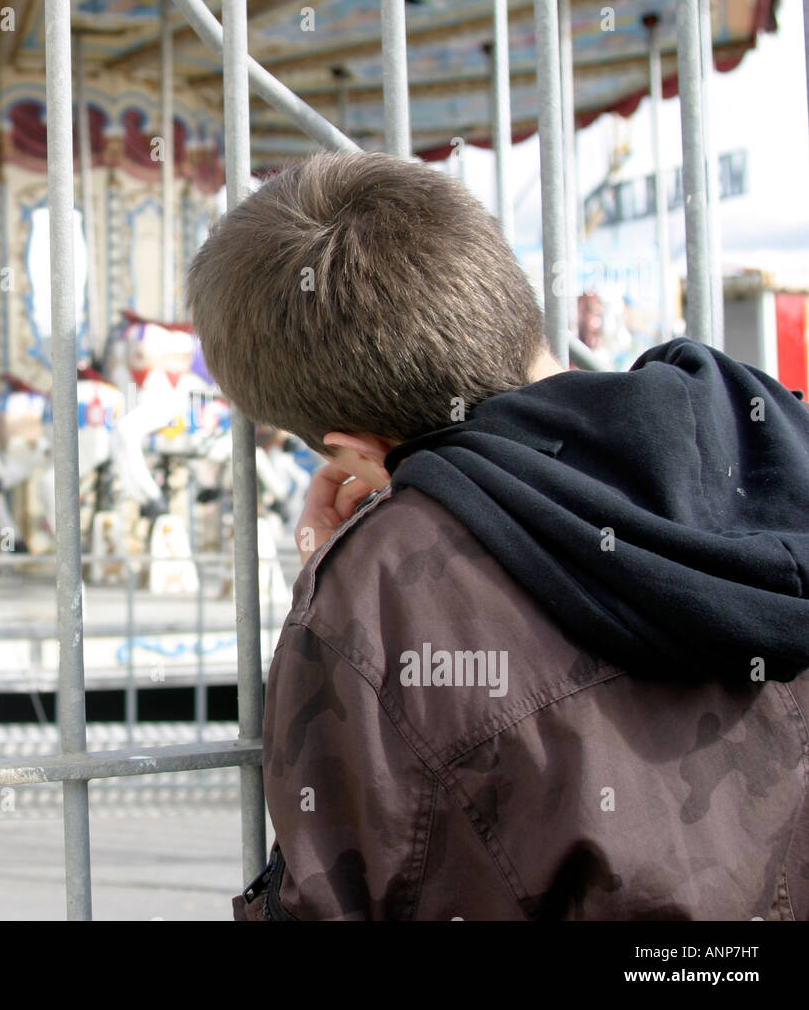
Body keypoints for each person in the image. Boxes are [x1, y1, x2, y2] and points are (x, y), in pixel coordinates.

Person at [184, 150, 809, 921]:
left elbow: (342, 888)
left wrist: (330, 591)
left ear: (355, 448)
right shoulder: (773, 442)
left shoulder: (383, 597)